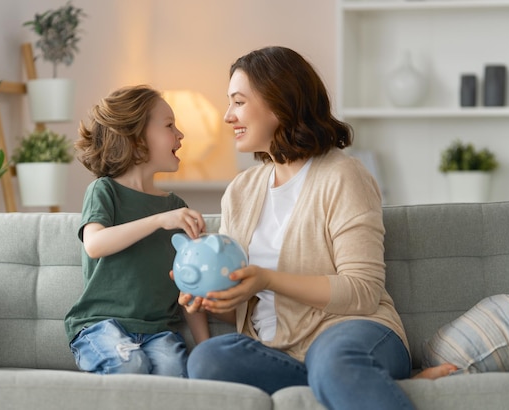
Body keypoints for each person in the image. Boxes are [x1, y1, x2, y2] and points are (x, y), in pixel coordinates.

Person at [181, 46, 454, 409]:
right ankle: (367, 386)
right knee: (209, 358)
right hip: (277, 351)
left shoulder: (343, 175)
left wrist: (267, 278)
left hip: (351, 333)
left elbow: (363, 291)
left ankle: (355, 376)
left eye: (239, 102)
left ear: (279, 104)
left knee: (333, 360)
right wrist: (212, 297)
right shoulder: (240, 191)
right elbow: (242, 303)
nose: (228, 116)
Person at [64, 85, 209, 377]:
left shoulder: (176, 207)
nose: (180, 135)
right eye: (169, 125)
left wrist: (207, 348)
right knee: (130, 365)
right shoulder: (104, 191)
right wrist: (159, 220)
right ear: (135, 136)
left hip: (159, 332)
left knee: (173, 374)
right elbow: (95, 244)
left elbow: (188, 286)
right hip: (101, 326)